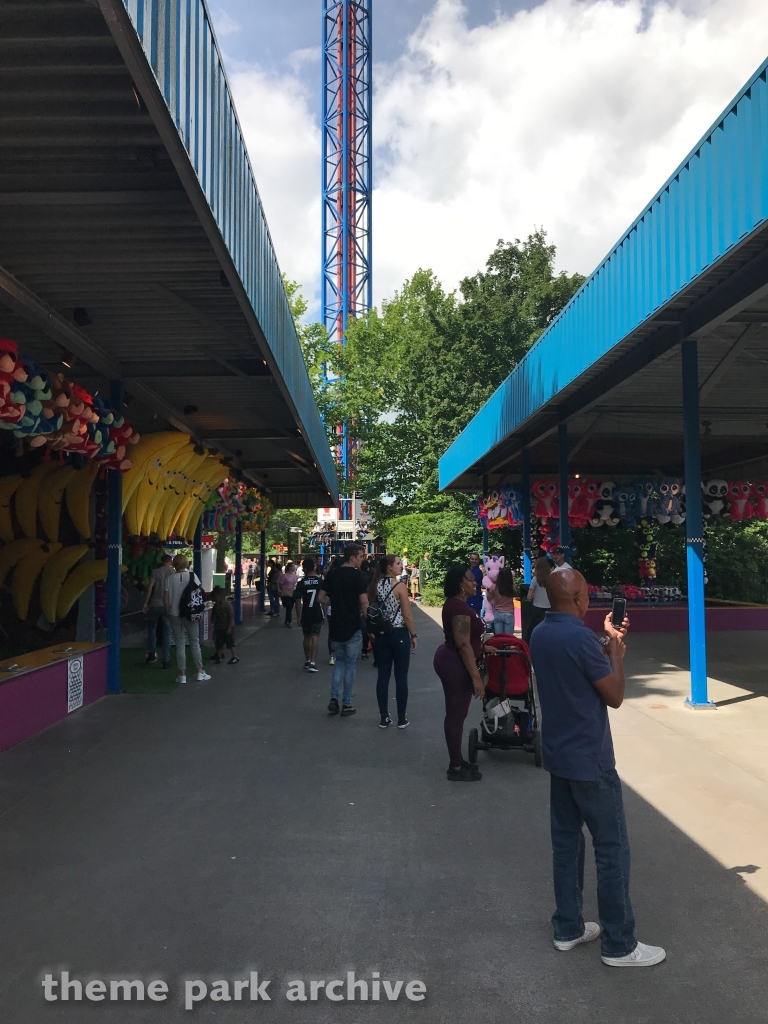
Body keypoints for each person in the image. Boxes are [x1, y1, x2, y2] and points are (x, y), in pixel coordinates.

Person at [529, 568, 666, 968]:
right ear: (577, 598)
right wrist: (617, 657)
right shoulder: (581, 639)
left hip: (559, 756)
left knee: (567, 844)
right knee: (611, 849)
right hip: (592, 759)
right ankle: (620, 944)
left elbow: (580, 664)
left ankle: (568, 928)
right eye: (586, 593)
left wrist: (606, 641)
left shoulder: (541, 633)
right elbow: (615, 695)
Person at [433, 565, 486, 782]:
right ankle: (455, 767)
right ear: (460, 584)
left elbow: (467, 641)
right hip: (455, 663)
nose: (475, 583)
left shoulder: (459, 605)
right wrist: (476, 679)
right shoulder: (460, 609)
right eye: (470, 580)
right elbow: (463, 644)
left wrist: (483, 647)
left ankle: (458, 760)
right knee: (456, 715)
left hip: (452, 658)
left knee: (457, 714)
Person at [368, 554, 418, 729]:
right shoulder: (400, 587)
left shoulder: (375, 586)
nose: (400, 566)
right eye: (397, 564)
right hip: (398, 633)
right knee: (401, 677)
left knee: (383, 675)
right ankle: (401, 718)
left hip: (381, 634)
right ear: (389, 567)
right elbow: (407, 614)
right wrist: (413, 635)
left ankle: (384, 717)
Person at [319, 544, 369, 717]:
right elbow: (363, 601)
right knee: (350, 664)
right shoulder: (359, 576)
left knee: (339, 662)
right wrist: (367, 617)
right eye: (361, 556)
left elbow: (321, 597)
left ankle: (334, 699)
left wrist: (336, 603)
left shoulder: (332, 574)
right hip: (353, 625)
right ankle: (347, 703)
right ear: (352, 557)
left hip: (336, 626)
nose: (363, 560)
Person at [164, 554, 211, 685]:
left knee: (180, 644)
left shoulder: (169, 579)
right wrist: (199, 613)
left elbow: (166, 600)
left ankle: (182, 675)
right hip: (190, 614)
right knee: (194, 643)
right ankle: (200, 672)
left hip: (175, 614)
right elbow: (198, 596)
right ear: (186, 563)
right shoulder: (192, 576)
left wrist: (169, 612)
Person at [142, 553, 174, 666]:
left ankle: (152, 653)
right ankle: (166, 659)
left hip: (155, 604)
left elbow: (150, 588)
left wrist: (146, 603)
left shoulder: (155, 572)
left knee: (152, 628)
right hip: (168, 605)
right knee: (167, 632)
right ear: (170, 561)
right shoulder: (173, 573)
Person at [293, 557, 324, 672]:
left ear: (304, 568)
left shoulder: (301, 583)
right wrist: (325, 614)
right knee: (315, 636)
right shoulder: (320, 582)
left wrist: (298, 616)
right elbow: (325, 598)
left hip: (306, 612)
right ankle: (313, 662)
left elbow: (297, 600)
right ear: (315, 567)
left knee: (306, 636)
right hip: (317, 612)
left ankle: (307, 660)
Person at [524, 556, 553, 644]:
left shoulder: (535, 580)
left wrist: (534, 595)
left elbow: (529, 596)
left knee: (532, 632)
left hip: (537, 609)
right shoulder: (551, 579)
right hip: (549, 609)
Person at [211, 587, 238, 664]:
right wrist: (213, 622)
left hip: (227, 627)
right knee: (219, 643)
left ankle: (235, 656)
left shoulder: (227, 605)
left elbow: (231, 616)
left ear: (220, 596)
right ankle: (219, 656)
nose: (214, 599)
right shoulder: (216, 605)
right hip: (219, 627)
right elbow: (214, 615)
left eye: (215, 597)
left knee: (230, 642)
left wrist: (230, 627)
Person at [486, 565, 516, 635]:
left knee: (499, 638)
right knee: (508, 638)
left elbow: (489, 598)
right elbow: (514, 595)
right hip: (509, 613)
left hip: (498, 613)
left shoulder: (494, 587)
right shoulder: (512, 587)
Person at [280, 560, 298, 627]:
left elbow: (295, 583)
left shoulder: (295, 576)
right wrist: (284, 589)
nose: (294, 568)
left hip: (293, 592)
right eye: (293, 566)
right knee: (289, 607)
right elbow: (281, 584)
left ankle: (287, 620)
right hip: (286, 593)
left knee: (290, 607)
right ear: (290, 568)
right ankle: (289, 621)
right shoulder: (284, 576)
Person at [466, 552, 484, 616]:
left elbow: (469, 583)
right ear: (469, 559)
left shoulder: (478, 572)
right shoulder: (467, 570)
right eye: (472, 559)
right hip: (467, 601)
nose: (474, 561)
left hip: (475, 601)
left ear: (478, 560)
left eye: (476, 559)